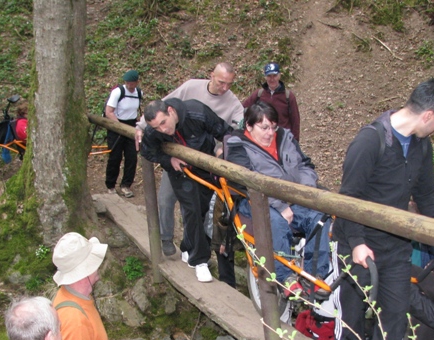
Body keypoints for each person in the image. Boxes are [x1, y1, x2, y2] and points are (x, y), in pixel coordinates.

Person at [333, 78, 434, 340]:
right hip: (357, 241)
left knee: (395, 310)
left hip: (396, 244)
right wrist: (358, 242)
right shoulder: (370, 141)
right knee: (354, 306)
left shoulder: (421, 145)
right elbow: (348, 199)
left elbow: (427, 196)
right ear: (428, 115)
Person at [135, 62, 243, 257]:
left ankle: (192, 247)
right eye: (221, 82)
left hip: (206, 157)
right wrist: (140, 127)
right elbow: (161, 106)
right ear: (211, 75)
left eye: (229, 83)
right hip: (177, 153)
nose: (225, 88)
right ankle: (165, 238)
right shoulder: (191, 87)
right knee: (166, 198)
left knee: (196, 207)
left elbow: (232, 132)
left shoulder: (233, 103)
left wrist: (221, 150)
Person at [225, 101, 331, 295]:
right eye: (264, 128)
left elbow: (305, 165)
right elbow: (246, 180)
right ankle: (285, 277)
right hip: (255, 201)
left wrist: (306, 192)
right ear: (249, 126)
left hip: (293, 199)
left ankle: (314, 275)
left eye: (273, 127)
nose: (270, 133)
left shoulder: (285, 138)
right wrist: (280, 205)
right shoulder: (237, 144)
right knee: (275, 220)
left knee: (320, 216)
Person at [141, 98, 233, 283]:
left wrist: (222, 151)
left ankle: (187, 247)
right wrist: (169, 160)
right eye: (157, 127)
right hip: (180, 172)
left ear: (170, 111)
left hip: (206, 168)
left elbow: (226, 133)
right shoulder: (153, 131)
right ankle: (199, 261)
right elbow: (147, 151)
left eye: (163, 123)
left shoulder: (196, 112)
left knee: (203, 211)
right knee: (191, 208)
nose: (163, 130)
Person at [105, 69, 142, 198]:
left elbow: (136, 110)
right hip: (116, 125)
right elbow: (109, 111)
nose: (129, 85)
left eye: (131, 83)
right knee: (115, 157)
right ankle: (110, 185)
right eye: (127, 82)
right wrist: (119, 126)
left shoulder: (138, 92)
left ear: (137, 82)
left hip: (131, 125)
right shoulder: (118, 92)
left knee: (132, 157)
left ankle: (126, 185)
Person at [242, 62, 301, 141]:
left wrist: (295, 141)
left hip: (283, 138)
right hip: (263, 138)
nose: (272, 79)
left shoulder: (288, 96)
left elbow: (295, 120)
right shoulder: (259, 94)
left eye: (275, 76)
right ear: (265, 77)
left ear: (279, 76)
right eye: (269, 76)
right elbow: (243, 108)